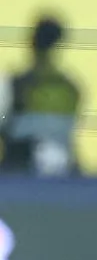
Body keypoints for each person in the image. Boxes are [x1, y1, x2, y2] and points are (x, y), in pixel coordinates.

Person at [0, 14, 83, 176]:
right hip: (57, 175)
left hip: (20, 172)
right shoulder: (69, 88)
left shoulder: (14, 85)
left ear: (32, 44)